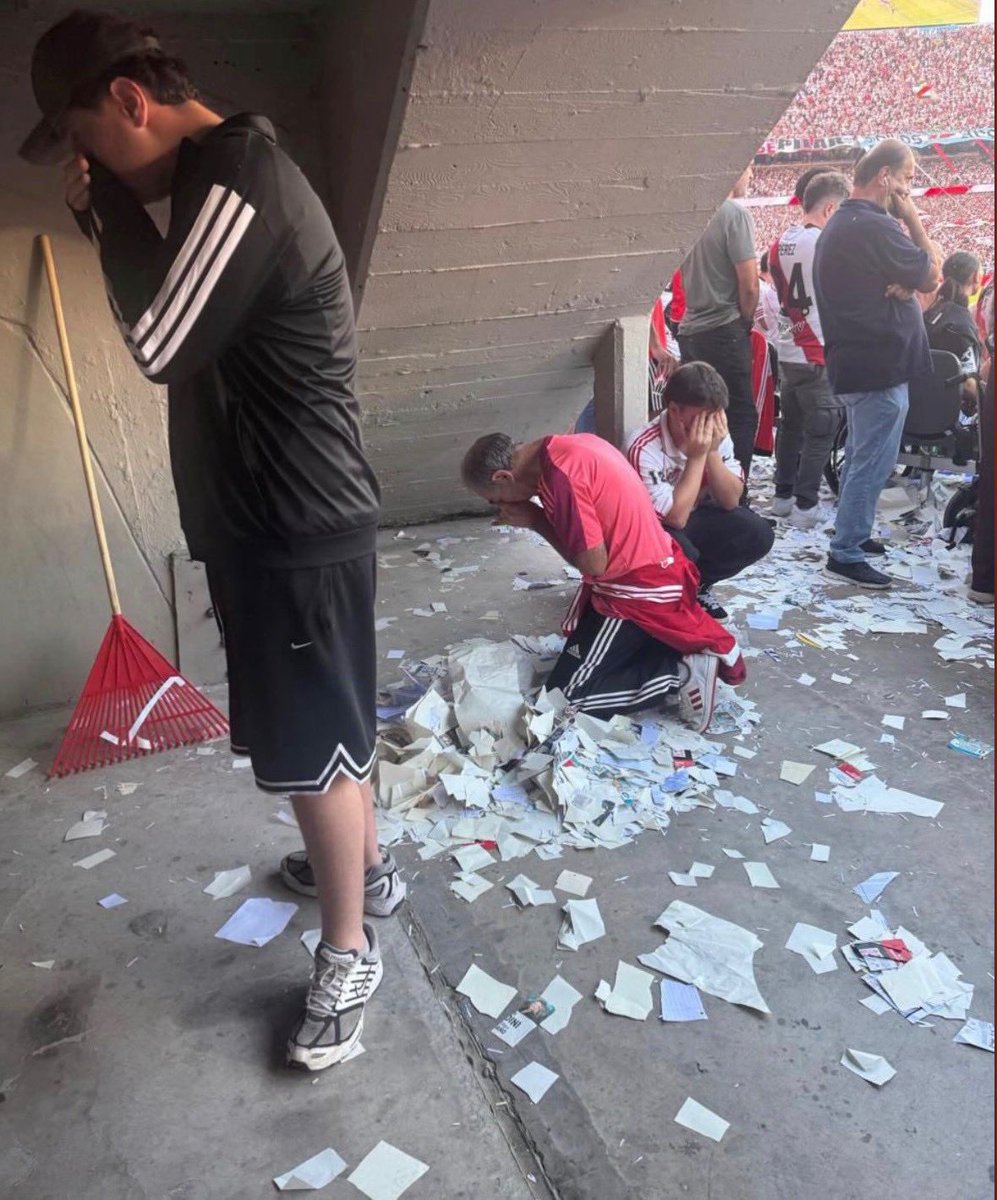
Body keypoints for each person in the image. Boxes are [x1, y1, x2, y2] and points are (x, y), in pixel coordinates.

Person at [21, 10, 402, 1072]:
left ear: (131, 103)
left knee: (313, 753)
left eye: (89, 139)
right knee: (325, 728)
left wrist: (106, 221)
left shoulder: (240, 177)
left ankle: (347, 949)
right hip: (275, 519)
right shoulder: (209, 189)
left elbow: (156, 340)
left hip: (296, 521)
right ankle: (363, 880)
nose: (90, 166)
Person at [460, 432, 747, 733]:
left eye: (496, 499)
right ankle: (665, 649)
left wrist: (536, 520)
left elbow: (593, 564)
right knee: (576, 666)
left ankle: (678, 673)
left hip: (636, 589)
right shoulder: (564, 445)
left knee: (563, 700)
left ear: (504, 476)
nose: (499, 506)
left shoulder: (561, 476)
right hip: (650, 567)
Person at [813, 139, 940, 589]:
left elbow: (912, 280)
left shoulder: (848, 224)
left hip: (863, 362)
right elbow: (930, 273)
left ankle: (854, 533)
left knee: (866, 458)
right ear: (884, 176)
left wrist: (901, 283)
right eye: (906, 179)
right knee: (871, 460)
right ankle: (846, 550)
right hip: (876, 366)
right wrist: (912, 218)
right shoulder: (873, 225)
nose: (907, 190)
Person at [625, 363, 773, 620]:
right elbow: (675, 518)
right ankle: (671, 598)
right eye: (698, 419)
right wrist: (696, 457)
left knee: (756, 533)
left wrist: (712, 452)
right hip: (653, 529)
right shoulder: (644, 445)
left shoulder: (715, 432)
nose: (706, 427)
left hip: (698, 514)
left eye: (712, 417)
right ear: (673, 410)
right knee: (683, 550)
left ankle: (698, 586)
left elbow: (730, 501)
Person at [768, 170, 851, 527]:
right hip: (818, 350)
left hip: (789, 348)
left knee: (790, 426)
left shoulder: (778, 243)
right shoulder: (827, 244)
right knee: (822, 427)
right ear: (830, 208)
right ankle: (805, 505)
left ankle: (782, 496)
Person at [677, 165, 760, 483]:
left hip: (691, 330)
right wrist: (744, 320)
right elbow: (749, 284)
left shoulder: (693, 215)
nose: (750, 176)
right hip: (723, 329)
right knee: (738, 413)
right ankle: (736, 493)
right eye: (748, 169)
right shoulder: (733, 215)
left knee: (700, 412)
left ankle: (702, 489)